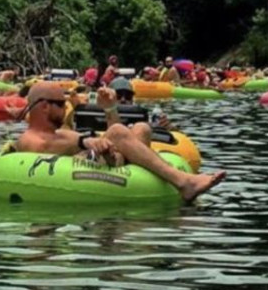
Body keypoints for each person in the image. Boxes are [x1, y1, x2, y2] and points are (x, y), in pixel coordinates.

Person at [13, 83, 224, 202]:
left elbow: (103, 139)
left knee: (141, 128)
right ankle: (183, 182)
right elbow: (46, 147)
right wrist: (86, 142)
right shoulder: (29, 138)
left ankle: (171, 180)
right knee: (116, 131)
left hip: (107, 163)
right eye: (61, 104)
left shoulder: (61, 133)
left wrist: (110, 109)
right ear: (44, 107)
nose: (65, 107)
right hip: (74, 178)